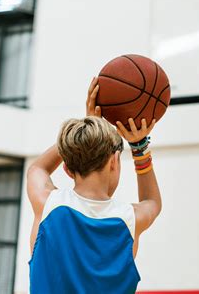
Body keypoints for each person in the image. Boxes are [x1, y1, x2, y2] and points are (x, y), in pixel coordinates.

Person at [27, 77, 161, 293]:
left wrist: (82, 132)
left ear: (67, 169)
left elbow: (37, 169)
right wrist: (139, 146)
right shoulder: (129, 219)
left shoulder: (48, 204)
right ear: (114, 161)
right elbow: (152, 202)